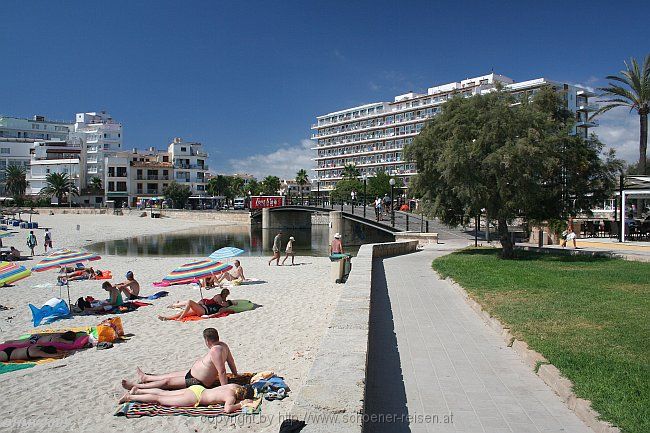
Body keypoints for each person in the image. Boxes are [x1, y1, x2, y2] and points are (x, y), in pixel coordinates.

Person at [121, 328, 238, 391]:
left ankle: (137, 386)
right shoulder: (223, 345)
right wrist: (235, 375)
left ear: (207, 340)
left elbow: (221, 371)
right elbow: (231, 362)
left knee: (167, 383)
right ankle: (146, 377)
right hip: (193, 374)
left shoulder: (215, 350)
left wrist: (224, 390)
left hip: (198, 381)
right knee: (170, 375)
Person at [118, 383, 253, 412]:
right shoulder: (231, 397)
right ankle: (129, 397)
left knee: (164, 393)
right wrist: (240, 405)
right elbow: (227, 409)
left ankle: (138, 390)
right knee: (159, 399)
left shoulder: (233, 386)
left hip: (198, 389)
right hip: (195, 397)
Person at [158, 289, 237, 321]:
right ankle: (166, 318)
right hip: (202, 308)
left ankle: (180, 318)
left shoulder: (223, 307)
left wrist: (209, 317)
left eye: (226, 303)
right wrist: (231, 303)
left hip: (203, 310)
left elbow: (218, 313)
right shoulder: (220, 300)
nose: (225, 302)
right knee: (181, 313)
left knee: (190, 302)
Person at [0, 345, 65, 362]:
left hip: (12, 349)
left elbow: (52, 349)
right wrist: (63, 354)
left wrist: (61, 351)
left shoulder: (38, 346)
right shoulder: (38, 353)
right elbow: (51, 355)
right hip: (8, 355)